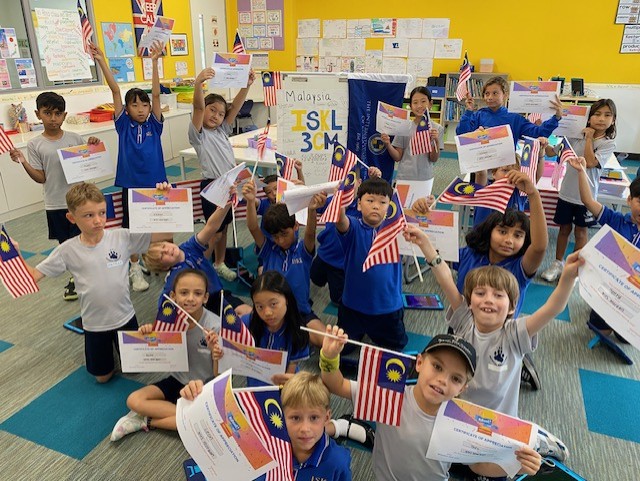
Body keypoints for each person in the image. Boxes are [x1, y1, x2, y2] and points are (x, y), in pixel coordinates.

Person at [404, 225, 580, 464]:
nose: (488, 299)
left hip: (498, 424)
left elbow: (553, 308)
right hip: (461, 415)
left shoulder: (515, 333)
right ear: (469, 300)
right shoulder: (464, 320)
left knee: (486, 471)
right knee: (433, 452)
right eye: (480, 293)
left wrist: (568, 276)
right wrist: (425, 243)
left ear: (510, 308)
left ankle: (537, 439)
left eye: (498, 296)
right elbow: (445, 278)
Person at [319, 325, 543, 481]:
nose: (442, 380)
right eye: (437, 366)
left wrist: (516, 466)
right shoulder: (390, 396)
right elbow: (336, 384)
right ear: (419, 363)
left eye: (455, 378)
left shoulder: (461, 420)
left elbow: (477, 465)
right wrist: (329, 358)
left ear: (463, 388)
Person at [23, 182, 168, 383]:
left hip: (125, 316)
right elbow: (32, 276)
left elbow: (166, 234)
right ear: (71, 218)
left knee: (135, 370)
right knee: (103, 377)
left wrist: (163, 202)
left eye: (102, 212)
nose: (98, 220)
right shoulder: (67, 250)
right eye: (88, 215)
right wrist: (12, 256)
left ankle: (124, 353)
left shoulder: (121, 236)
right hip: (94, 324)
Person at [90, 40, 168, 293]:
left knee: (157, 225)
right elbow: (115, 91)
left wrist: (155, 62)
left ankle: (156, 261)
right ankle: (134, 267)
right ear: (127, 107)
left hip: (157, 183)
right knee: (131, 227)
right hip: (131, 184)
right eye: (135, 104)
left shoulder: (154, 125)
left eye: (144, 105)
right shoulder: (123, 124)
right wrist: (101, 59)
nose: (141, 109)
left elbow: (156, 94)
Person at [9, 92, 100, 301]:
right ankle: (75, 277)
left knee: (85, 240)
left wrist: (93, 145)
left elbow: (87, 166)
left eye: (58, 113)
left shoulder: (74, 138)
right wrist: (23, 161)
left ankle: (88, 275)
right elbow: (41, 177)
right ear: (37, 114)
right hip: (55, 203)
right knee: (66, 245)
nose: (53, 118)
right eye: (47, 113)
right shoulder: (35, 144)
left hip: (79, 203)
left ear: (65, 115)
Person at [110, 269, 220, 441]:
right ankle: (189, 416)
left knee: (204, 423)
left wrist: (215, 353)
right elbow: (158, 347)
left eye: (197, 293)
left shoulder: (215, 327)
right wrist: (147, 333)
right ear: (173, 296)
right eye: (184, 293)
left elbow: (219, 375)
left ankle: (147, 420)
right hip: (177, 379)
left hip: (201, 386)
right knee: (134, 400)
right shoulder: (169, 319)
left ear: (205, 297)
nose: (190, 298)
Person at [180, 371, 352, 481]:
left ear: (327, 417)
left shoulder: (337, 463)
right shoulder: (268, 444)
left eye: (314, 418)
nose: (305, 428)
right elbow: (216, 422)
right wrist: (197, 397)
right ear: (282, 416)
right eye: (295, 418)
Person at [189, 67, 256, 282]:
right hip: (212, 187)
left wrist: (246, 85)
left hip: (228, 186)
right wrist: (198, 84)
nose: (216, 116)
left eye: (220, 113)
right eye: (212, 110)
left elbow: (234, 107)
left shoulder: (222, 130)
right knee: (213, 231)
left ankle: (218, 263)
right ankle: (201, 267)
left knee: (224, 227)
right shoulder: (198, 134)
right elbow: (198, 107)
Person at [141, 185, 250, 316]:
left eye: (164, 246)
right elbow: (163, 307)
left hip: (218, 294)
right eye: (162, 256)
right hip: (202, 306)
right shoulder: (174, 278)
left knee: (248, 313)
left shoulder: (188, 247)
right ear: (164, 267)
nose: (167, 250)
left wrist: (227, 202)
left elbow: (211, 227)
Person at [540, 99, 618, 282]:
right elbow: (553, 152)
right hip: (566, 192)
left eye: (607, 115)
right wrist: (544, 143)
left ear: (613, 120)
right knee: (563, 229)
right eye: (597, 114)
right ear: (588, 118)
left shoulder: (608, 143)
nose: (601, 119)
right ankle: (557, 263)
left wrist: (589, 138)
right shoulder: (574, 136)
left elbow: (590, 163)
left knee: (581, 232)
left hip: (587, 197)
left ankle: (573, 267)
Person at [243, 179, 326, 346]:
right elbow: (253, 227)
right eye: (275, 236)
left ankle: (290, 334)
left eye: (284, 234)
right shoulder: (268, 249)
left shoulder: (303, 250)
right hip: (270, 312)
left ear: (295, 226)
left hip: (300, 312)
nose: (280, 240)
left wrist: (312, 210)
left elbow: (310, 233)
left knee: (328, 342)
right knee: (245, 331)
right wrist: (251, 201)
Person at [566, 155, 636, 341]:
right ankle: (600, 309)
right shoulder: (617, 220)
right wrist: (581, 171)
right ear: (629, 200)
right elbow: (588, 201)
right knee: (599, 330)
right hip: (610, 286)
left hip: (634, 295)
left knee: (625, 339)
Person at [335, 177, 406, 352]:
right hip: (353, 306)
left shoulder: (397, 228)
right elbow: (340, 220)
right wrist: (340, 197)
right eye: (370, 200)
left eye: (383, 202)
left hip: (388, 306)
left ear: (391, 207)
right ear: (359, 205)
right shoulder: (354, 226)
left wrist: (422, 205)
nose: (376, 206)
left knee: (395, 348)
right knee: (343, 349)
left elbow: (420, 219)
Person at [457, 76, 562, 187]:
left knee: (504, 201)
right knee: (480, 200)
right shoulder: (478, 115)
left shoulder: (514, 118)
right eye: (487, 94)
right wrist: (468, 111)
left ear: (505, 95)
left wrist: (556, 117)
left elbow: (538, 133)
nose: (490, 97)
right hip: (481, 170)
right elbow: (462, 135)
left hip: (505, 172)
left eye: (495, 93)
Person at [217, 271, 309, 387]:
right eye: (259, 306)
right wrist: (218, 348)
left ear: (287, 300)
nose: (267, 313)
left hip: (285, 384)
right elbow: (227, 345)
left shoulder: (298, 330)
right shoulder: (248, 323)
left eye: (273, 304)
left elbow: (290, 373)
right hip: (255, 384)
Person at [311, 166, 382, 305]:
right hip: (324, 253)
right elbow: (313, 204)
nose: (345, 186)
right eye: (341, 181)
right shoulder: (332, 200)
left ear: (360, 183)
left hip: (341, 264)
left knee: (338, 299)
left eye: (350, 181)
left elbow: (381, 201)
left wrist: (376, 180)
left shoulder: (365, 209)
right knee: (315, 278)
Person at [381, 86, 444, 195]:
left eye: (423, 101)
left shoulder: (437, 129)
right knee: (402, 209)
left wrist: (436, 141)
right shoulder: (404, 126)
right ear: (410, 106)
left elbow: (433, 159)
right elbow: (397, 157)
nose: (419, 106)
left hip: (424, 178)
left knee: (421, 209)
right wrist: (388, 144)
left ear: (430, 104)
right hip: (404, 177)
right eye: (415, 102)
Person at [472, 137, 548, 227]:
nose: (510, 175)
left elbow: (535, 176)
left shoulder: (519, 193)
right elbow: (481, 173)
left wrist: (541, 153)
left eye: (515, 172)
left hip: (509, 237)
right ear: (494, 173)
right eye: (505, 170)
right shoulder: (486, 190)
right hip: (483, 238)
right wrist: (480, 145)